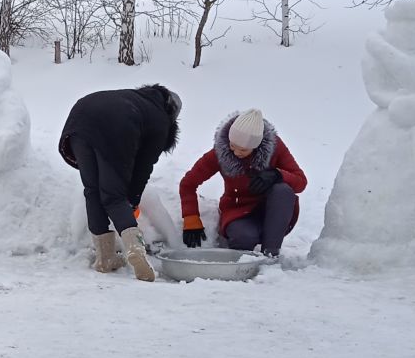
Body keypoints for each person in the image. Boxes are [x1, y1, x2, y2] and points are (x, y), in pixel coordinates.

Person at [58, 85, 182, 282]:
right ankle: (136, 250)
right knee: (114, 196)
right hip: (115, 125)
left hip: (79, 120)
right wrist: (131, 201)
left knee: (92, 191)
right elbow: (143, 167)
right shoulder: (159, 119)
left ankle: (105, 258)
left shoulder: (136, 99)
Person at [179, 108, 307, 259]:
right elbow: (188, 184)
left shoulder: (276, 148)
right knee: (243, 238)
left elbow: (301, 182)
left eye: (243, 149)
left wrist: (277, 174)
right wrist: (191, 218)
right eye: (232, 145)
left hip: (271, 211)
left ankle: (270, 255)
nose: (236, 152)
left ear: (256, 145)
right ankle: (246, 250)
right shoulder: (220, 152)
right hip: (237, 211)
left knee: (283, 190)